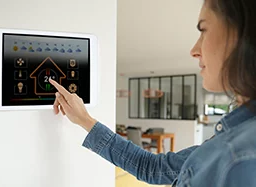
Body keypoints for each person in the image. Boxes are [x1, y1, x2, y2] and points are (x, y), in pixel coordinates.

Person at [49, 0, 256, 186]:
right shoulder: (230, 142)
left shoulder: (240, 159)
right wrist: (84, 119)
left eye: (203, 30)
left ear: (242, 35)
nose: (194, 49)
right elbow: (153, 168)